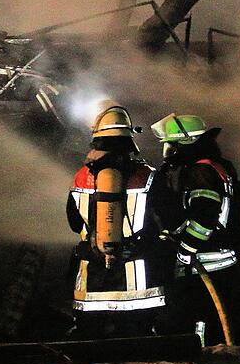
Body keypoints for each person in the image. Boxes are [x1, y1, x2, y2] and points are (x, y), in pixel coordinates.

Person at [66, 104, 166, 338]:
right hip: (136, 286)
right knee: (138, 348)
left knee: (89, 351)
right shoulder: (147, 177)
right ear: (129, 138)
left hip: (91, 283)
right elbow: (168, 217)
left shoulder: (81, 177)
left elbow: (73, 222)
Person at [149, 113, 239, 344]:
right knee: (210, 319)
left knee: (194, 320)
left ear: (184, 143)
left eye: (170, 145)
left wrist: (186, 250)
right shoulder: (218, 166)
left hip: (204, 261)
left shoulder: (200, 172)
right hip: (222, 258)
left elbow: (205, 215)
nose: (167, 151)